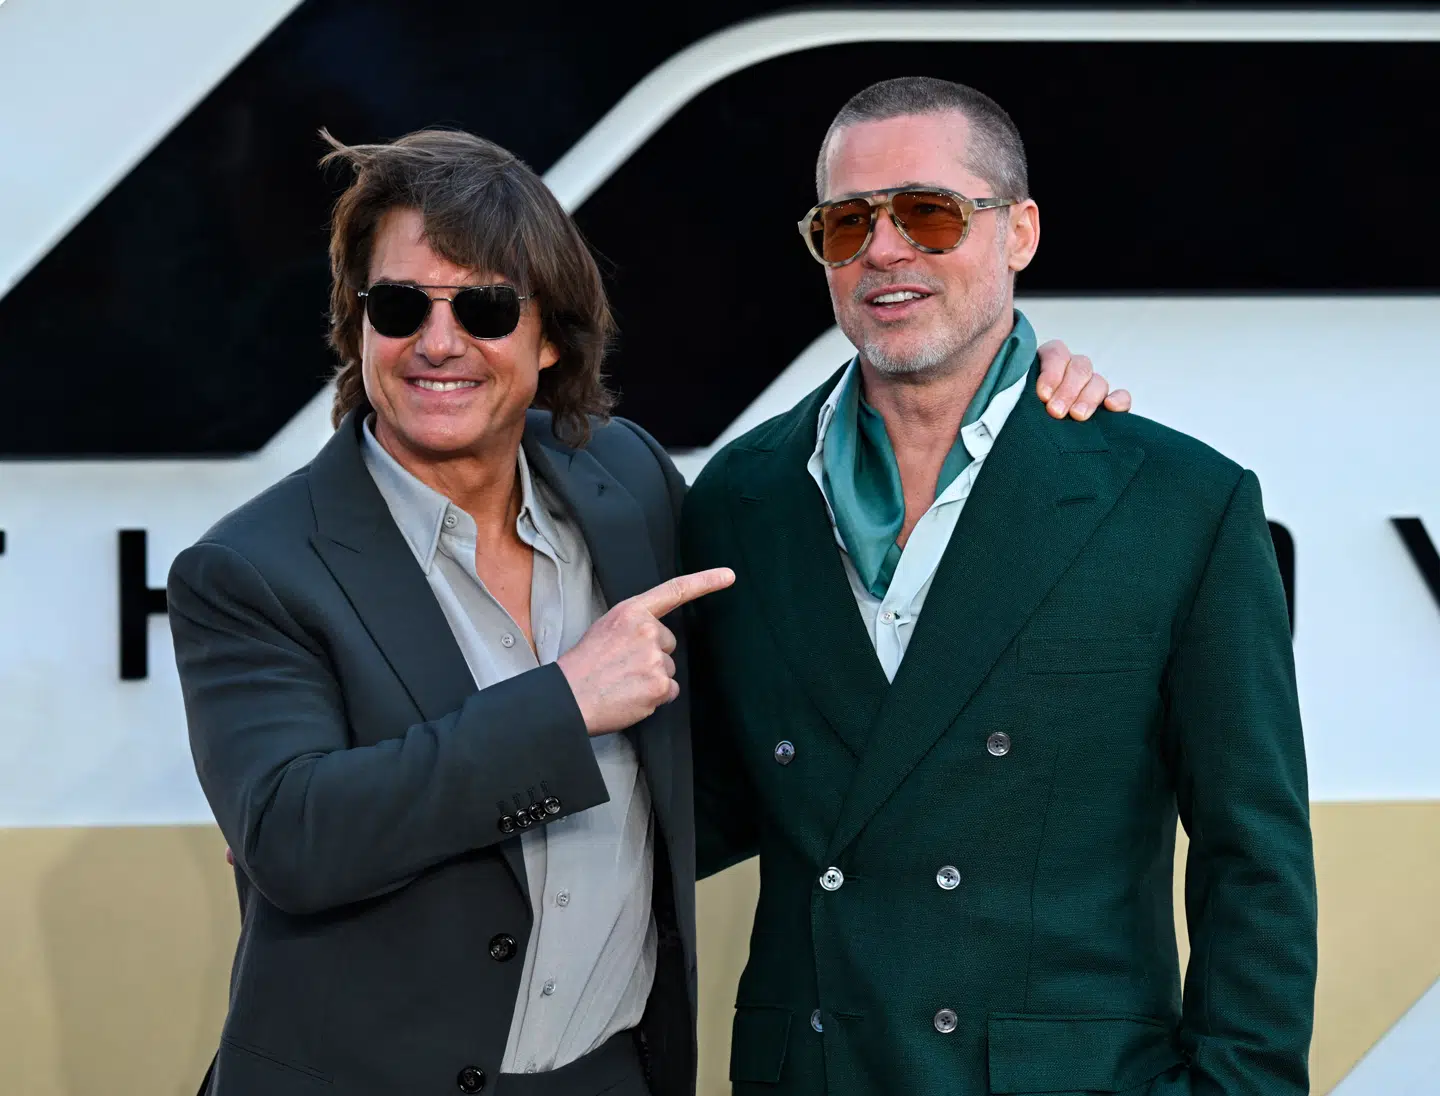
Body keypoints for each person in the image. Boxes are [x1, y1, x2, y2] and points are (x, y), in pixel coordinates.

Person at [172, 127, 1119, 1096]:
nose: (439, 343)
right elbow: (293, 838)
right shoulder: (253, 567)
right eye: (400, 304)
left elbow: (742, 754)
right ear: (358, 323)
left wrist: (1013, 386)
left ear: (549, 337)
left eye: (486, 308)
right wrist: (564, 704)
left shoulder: (623, 480)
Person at [681, 77, 1317, 1096]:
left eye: (928, 214)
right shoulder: (740, 498)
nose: (885, 250)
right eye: (847, 224)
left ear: (1018, 232)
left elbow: (1255, 855)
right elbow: (702, 806)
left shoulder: (1176, 502)